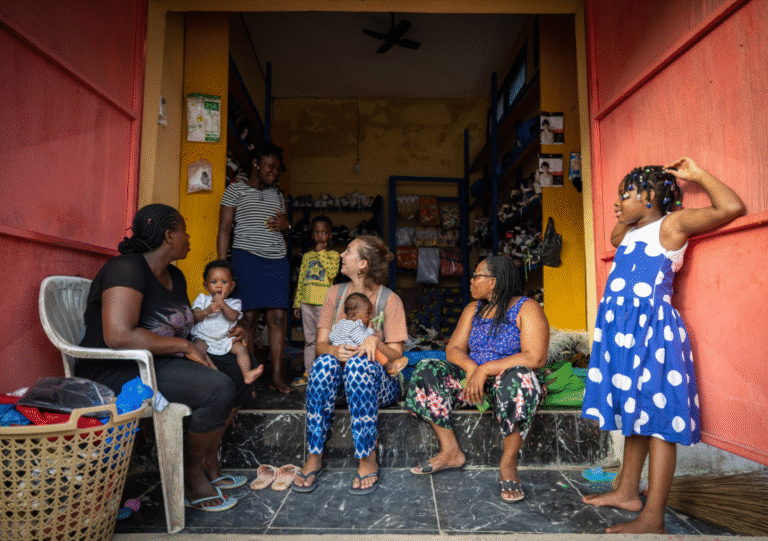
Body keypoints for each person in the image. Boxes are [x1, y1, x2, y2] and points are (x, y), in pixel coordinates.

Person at [580, 157, 745, 534]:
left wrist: (697, 175)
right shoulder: (630, 232)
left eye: (626, 194)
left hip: (652, 335)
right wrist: (628, 209)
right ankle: (627, 492)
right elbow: (615, 237)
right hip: (622, 335)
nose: (617, 202)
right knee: (634, 412)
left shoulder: (671, 225)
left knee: (656, 421)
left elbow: (731, 207)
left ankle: (653, 516)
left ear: (650, 197)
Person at [76, 204, 260, 511]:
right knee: (218, 387)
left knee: (242, 371)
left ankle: (207, 459)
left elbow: (185, 327)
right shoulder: (127, 268)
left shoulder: (175, 275)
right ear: (169, 235)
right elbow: (118, 335)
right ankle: (190, 473)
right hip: (121, 369)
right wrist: (186, 347)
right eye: (184, 231)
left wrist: (225, 335)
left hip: (162, 361)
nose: (189, 238)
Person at [405, 255, 549, 504]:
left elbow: (535, 357)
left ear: (493, 282)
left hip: (508, 380)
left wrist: (486, 369)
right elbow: (453, 350)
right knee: (426, 368)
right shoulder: (473, 309)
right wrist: (473, 368)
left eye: (476, 276)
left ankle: (508, 464)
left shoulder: (527, 308)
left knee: (519, 379)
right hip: (473, 382)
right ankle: (450, 450)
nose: (471, 281)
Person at [292, 236, 408, 495]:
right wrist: (335, 351)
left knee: (358, 366)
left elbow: (396, 358)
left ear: (363, 264)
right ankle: (314, 455)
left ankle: (367, 457)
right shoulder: (334, 294)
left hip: (378, 385)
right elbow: (320, 345)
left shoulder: (390, 300)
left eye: (348, 251)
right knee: (323, 364)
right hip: (339, 388)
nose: (341, 255)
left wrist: (375, 342)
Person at [218, 141, 293, 393]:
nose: (274, 172)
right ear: (256, 163)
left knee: (278, 317)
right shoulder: (235, 190)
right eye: (270, 166)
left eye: (277, 168)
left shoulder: (277, 195)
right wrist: (223, 266)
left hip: (276, 260)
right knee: (248, 318)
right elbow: (224, 229)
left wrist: (287, 226)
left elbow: (283, 229)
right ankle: (249, 376)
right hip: (246, 259)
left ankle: (276, 376)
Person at [192, 259, 263, 385]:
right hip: (204, 337)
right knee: (197, 348)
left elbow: (234, 317)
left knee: (241, 349)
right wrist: (207, 311)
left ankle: (247, 374)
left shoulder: (234, 303)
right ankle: (212, 368)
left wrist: (222, 303)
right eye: (214, 282)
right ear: (206, 285)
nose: (219, 286)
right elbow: (195, 316)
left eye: (224, 282)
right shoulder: (202, 299)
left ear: (232, 286)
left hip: (225, 338)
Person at [291, 215, 340, 387]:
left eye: (324, 232)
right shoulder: (306, 257)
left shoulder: (333, 255)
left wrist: (321, 253)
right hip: (307, 303)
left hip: (324, 304)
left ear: (330, 235)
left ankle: (325, 372)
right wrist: (297, 302)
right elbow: (301, 281)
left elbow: (332, 272)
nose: (320, 236)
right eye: (317, 232)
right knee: (310, 340)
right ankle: (309, 372)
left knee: (325, 340)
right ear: (312, 235)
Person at [328, 292, 408, 376]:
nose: (370, 317)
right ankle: (389, 366)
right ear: (353, 315)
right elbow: (364, 340)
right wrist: (370, 329)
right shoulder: (354, 325)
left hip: (340, 358)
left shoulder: (340, 324)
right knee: (372, 348)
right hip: (352, 357)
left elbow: (331, 337)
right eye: (368, 313)